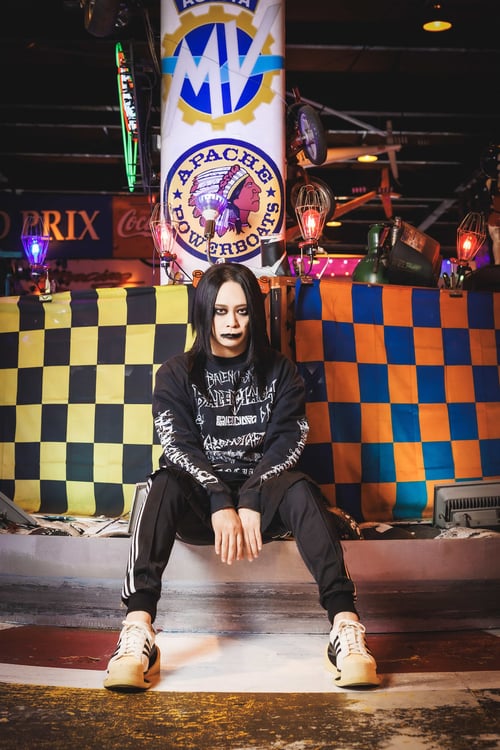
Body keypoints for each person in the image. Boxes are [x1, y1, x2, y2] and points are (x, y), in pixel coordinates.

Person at [104, 262, 379, 692]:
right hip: (201, 507)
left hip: (263, 508)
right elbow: (177, 446)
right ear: (204, 313)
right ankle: (138, 632)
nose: (231, 322)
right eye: (220, 311)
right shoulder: (176, 373)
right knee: (161, 483)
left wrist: (251, 497)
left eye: (242, 310)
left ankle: (345, 629)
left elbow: (288, 442)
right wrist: (219, 499)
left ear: (254, 313)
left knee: (302, 488)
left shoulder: (281, 371)